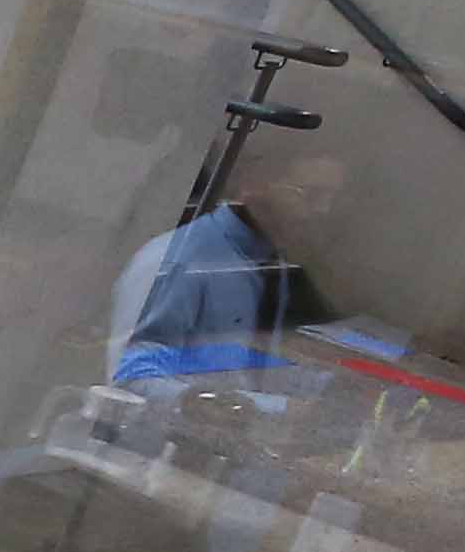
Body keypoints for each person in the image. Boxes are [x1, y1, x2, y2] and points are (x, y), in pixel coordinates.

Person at [108, 145, 341, 384]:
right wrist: (259, 409)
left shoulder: (272, 265)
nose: (323, 211)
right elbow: (132, 378)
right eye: (310, 195)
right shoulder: (180, 261)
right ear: (255, 184)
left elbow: (252, 369)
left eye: (331, 199)